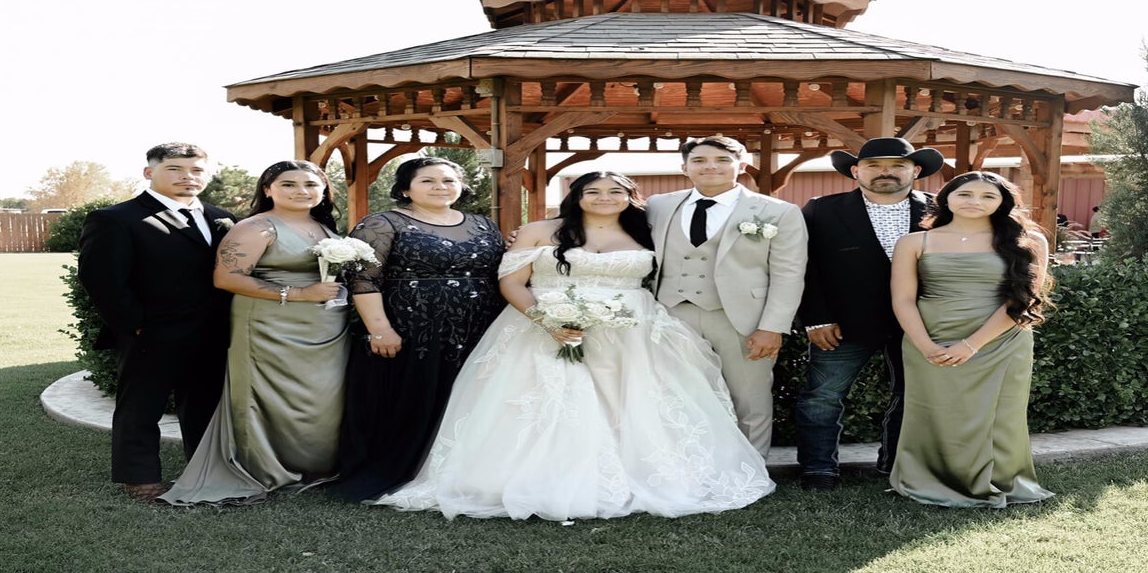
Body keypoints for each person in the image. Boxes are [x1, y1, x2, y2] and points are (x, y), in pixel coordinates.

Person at [375, 172, 773, 520]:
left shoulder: (649, 231)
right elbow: (511, 282)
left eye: (615, 191)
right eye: (593, 191)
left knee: (633, 403)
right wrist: (547, 321)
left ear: (630, 197)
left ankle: (644, 474)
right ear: (576, 196)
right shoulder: (538, 230)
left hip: (631, 333)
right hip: (543, 327)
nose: (604, 198)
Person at [160, 160, 348, 505]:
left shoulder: (323, 227)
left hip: (325, 327)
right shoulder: (256, 227)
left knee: (323, 399)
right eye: (288, 184)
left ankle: (316, 465)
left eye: (310, 184)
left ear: (324, 191)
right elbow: (226, 278)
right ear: (267, 190)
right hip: (269, 325)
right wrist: (299, 294)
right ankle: (263, 467)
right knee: (271, 398)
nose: (301, 191)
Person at [327, 156, 506, 502]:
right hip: (411, 329)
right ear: (406, 188)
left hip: (477, 327)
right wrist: (379, 329)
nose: (441, 187)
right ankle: (403, 467)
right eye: (428, 181)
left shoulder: (483, 224)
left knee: (467, 396)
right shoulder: (382, 223)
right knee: (413, 396)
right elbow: (363, 279)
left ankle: (462, 469)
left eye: (449, 180)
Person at [78, 142, 235, 502]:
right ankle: (141, 477)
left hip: (213, 332)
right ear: (149, 172)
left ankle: (205, 468)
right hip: (151, 333)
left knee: (206, 404)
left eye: (196, 170)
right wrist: (134, 325)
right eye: (175, 169)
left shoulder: (222, 217)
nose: (188, 177)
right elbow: (101, 279)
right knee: (141, 406)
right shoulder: (116, 218)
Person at [889, 171, 1055, 507]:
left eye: (987, 196)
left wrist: (971, 345)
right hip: (930, 337)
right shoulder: (914, 242)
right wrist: (926, 345)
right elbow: (903, 299)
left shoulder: (1030, 241)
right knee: (935, 411)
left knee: (1001, 416)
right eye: (965, 194)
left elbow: (1023, 301)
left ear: (1002, 203)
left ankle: (1001, 479)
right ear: (946, 198)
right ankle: (932, 477)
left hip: (1002, 340)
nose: (975, 202)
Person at [794, 137, 944, 491]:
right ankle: (819, 469)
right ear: (856, 171)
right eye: (873, 165)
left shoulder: (941, 211)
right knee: (822, 396)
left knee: (913, 395)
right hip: (841, 323)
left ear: (915, 170)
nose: (885, 172)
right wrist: (815, 318)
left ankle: (895, 464)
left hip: (920, 323)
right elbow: (804, 266)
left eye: (897, 165)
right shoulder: (821, 209)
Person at [646, 136, 808, 457]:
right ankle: (690, 464)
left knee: (749, 398)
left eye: (722, 160)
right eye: (699, 160)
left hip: (743, 319)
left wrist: (772, 327)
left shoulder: (778, 211)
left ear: (742, 166)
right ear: (685, 168)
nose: (710, 167)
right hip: (671, 314)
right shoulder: (658, 206)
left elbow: (789, 273)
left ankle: (752, 470)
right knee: (679, 394)